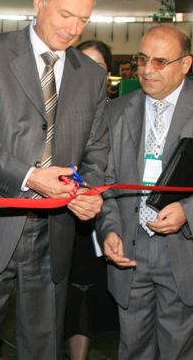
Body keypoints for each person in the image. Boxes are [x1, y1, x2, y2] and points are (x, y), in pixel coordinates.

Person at [0, 0, 108, 360]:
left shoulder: (92, 77)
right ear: (39, 1)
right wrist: (29, 176)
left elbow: (98, 151)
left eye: (83, 19)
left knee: (43, 347)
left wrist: (89, 191)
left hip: (55, 232)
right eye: (65, 14)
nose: (73, 28)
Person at [98, 24, 193, 359]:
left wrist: (190, 210)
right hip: (130, 253)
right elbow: (105, 180)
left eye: (159, 62)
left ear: (185, 65)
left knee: (178, 352)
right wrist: (109, 228)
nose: (147, 70)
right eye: (142, 60)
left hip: (185, 251)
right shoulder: (116, 111)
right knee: (132, 349)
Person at [64, 40, 119, 360]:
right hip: (62, 215)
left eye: (96, 67)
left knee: (93, 292)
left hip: (104, 214)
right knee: (70, 294)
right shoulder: (56, 112)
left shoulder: (119, 113)